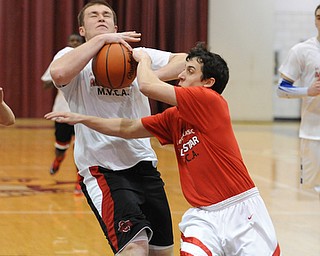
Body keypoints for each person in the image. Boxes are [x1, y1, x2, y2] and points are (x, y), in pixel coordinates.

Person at [45, 42, 281, 256]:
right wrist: (83, 118)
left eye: (190, 71)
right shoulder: (174, 117)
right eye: (183, 68)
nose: (180, 75)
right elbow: (128, 127)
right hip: (203, 216)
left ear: (208, 83)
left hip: (241, 210)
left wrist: (143, 60)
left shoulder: (209, 100)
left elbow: (147, 85)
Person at [47, 0, 186, 255]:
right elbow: (58, 74)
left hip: (144, 163)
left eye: (106, 15)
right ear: (82, 29)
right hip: (103, 169)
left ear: (116, 25)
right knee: (135, 247)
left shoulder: (137, 56)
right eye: (93, 16)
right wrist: (101, 41)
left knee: (162, 251)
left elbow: (184, 61)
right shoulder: (69, 55)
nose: (101, 18)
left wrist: (144, 75)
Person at [277, 4, 320, 193]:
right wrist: (307, 91)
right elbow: (281, 89)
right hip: (313, 133)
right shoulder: (302, 50)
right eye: (319, 17)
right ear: (315, 20)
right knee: (311, 191)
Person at [41, 33, 84, 195]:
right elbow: (45, 83)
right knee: (61, 146)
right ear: (67, 43)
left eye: (77, 41)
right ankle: (58, 159)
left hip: (82, 113)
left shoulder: (88, 59)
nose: (74, 43)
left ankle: (79, 182)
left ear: (82, 43)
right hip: (62, 110)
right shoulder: (61, 58)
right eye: (71, 41)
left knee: (81, 149)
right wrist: (61, 76)